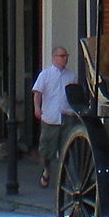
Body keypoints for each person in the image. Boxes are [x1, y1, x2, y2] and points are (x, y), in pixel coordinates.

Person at [32, 45, 74, 187]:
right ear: (54, 57)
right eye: (61, 56)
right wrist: (37, 108)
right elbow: (37, 93)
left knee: (66, 149)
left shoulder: (71, 76)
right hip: (50, 117)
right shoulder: (45, 74)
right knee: (46, 150)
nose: (65, 59)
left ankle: (65, 177)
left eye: (66, 56)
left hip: (66, 117)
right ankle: (46, 170)